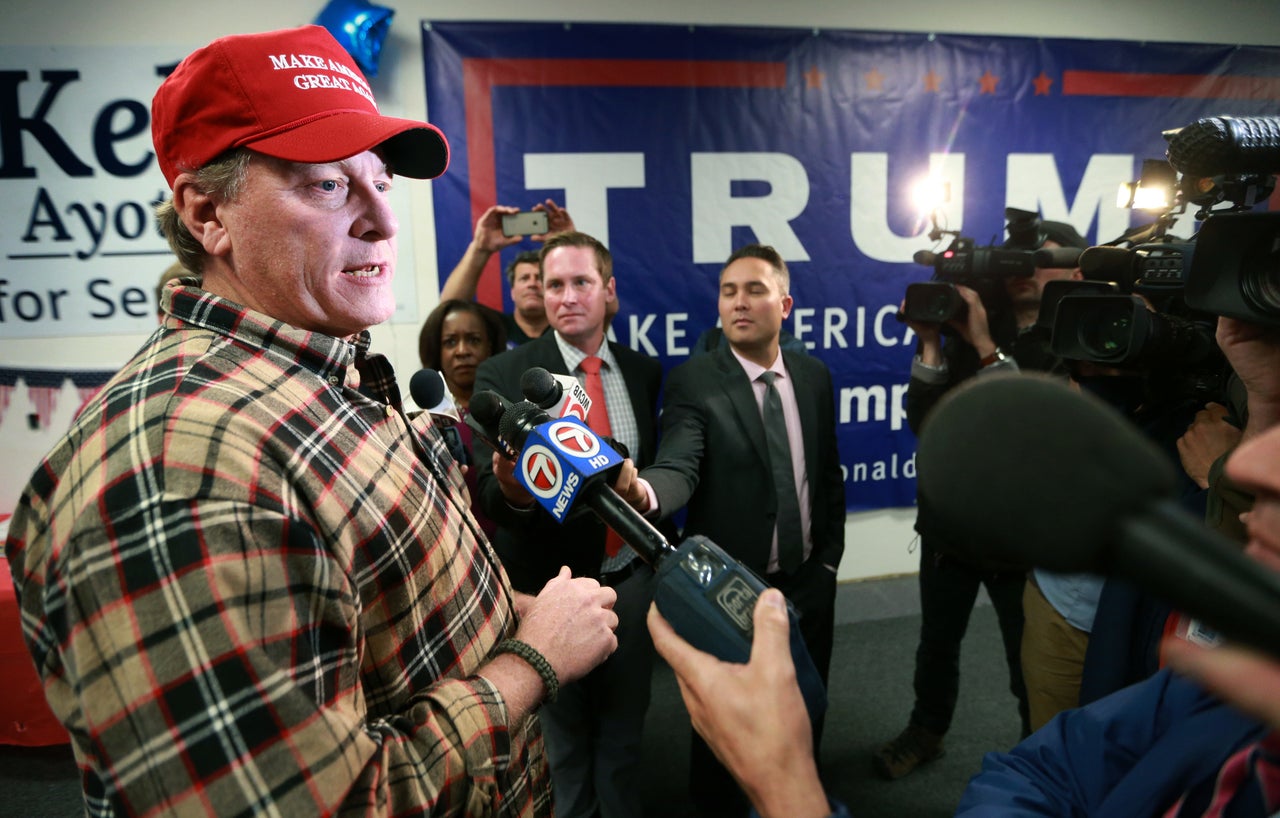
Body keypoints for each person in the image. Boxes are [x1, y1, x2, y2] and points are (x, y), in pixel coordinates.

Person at [4, 25, 621, 817]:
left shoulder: (317, 369)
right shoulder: (175, 477)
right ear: (206, 213)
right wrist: (531, 663)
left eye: (380, 182)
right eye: (328, 185)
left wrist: (496, 613)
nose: (383, 222)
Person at [646, 313, 1280, 818]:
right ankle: (927, 729)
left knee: (1018, 670)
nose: (1250, 466)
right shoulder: (1214, 698)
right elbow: (1031, 770)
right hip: (956, 548)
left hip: (1013, 560)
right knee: (949, 655)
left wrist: (787, 791)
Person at [622, 243, 845, 817]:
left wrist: (827, 565)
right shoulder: (696, 380)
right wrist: (644, 493)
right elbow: (680, 463)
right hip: (732, 594)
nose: (738, 302)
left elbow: (827, 477)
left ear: (785, 303)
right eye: (728, 291)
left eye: (754, 290)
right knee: (723, 735)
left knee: (805, 710)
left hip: (808, 583)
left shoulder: (815, 376)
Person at [876, 213, 1089, 778]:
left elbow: (1026, 425)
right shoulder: (969, 327)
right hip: (952, 528)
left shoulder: (1081, 341)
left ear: (1072, 270)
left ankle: (1038, 751)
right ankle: (927, 730)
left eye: (1041, 260)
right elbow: (925, 418)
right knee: (936, 644)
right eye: (1016, 260)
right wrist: (930, 342)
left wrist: (982, 342)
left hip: (1024, 540)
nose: (1024, 271)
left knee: (1031, 660)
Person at [472, 231, 667, 818]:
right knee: (563, 749)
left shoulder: (643, 370)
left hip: (630, 581)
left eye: (581, 282)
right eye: (554, 284)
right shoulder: (505, 375)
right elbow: (492, 496)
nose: (566, 296)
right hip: (550, 592)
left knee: (626, 736)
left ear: (609, 292)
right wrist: (514, 488)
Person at [418, 298, 508, 537]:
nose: (462, 351)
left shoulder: (511, 408)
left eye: (474, 340)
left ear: (490, 346)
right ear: (437, 351)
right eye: (450, 342)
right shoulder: (422, 419)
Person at [440, 202, 574, 347]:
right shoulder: (492, 328)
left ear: (553, 289)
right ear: (512, 292)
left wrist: (570, 245)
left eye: (540, 278)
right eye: (524, 278)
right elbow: (450, 308)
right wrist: (480, 248)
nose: (532, 284)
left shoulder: (571, 326)